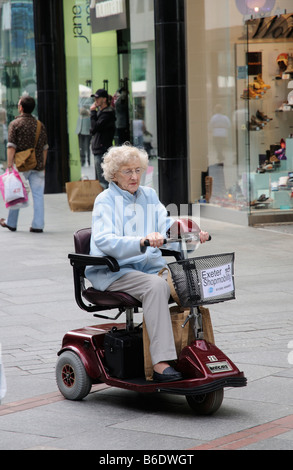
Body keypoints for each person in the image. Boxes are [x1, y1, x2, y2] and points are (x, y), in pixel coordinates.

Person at [85, 144, 210, 382]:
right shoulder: (105, 200)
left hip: (149, 268)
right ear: (114, 174)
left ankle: (196, 349)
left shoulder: (148, 195)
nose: (134, 176)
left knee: (193, 280)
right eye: (126, 171)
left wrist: (192, 233)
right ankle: (161, 362)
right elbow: (104, 240)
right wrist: (141, 241)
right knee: (155, 286)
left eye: (137, 170)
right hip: (115, 271)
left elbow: (166, 227)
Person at [0, 95, 48, 233]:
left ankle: (12, 223)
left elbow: (11, 147)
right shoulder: (40, 125)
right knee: (38, 195)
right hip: (37, 164)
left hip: (20, 166)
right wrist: (42, 165)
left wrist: (9, 166)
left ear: (21, 107)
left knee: (16, 192)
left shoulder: (15, 124)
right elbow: (45, 148)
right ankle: (38, 225)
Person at [90, 89, 116, 189]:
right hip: (98, 149)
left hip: (102, 149)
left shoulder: (107, 114)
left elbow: (94, 128)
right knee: (102, 180)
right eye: (95, 98)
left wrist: (92, 112)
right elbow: (93, 130)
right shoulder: (101, 112)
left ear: (104, 99)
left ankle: (107, 203)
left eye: (98, 98)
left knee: (104, 181)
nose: (95, 100)